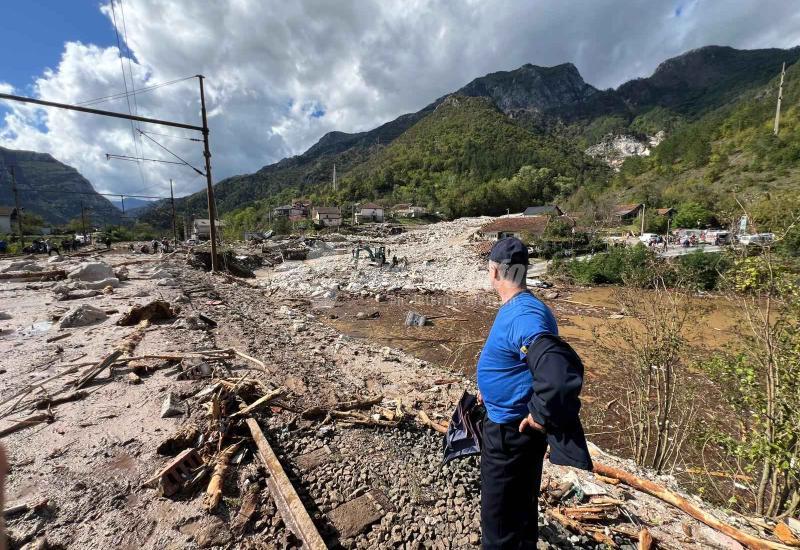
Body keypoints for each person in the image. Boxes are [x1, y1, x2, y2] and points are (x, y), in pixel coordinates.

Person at [477, 237, 591, 549]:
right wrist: (492, 389)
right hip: (511, 428)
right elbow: (524, 363)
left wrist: (540, 413)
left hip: (509, 435)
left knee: (499, 522)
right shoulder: (524, 306)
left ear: (495, 272)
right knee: (519, 509)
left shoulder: (525, 315)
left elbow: (556, 374)